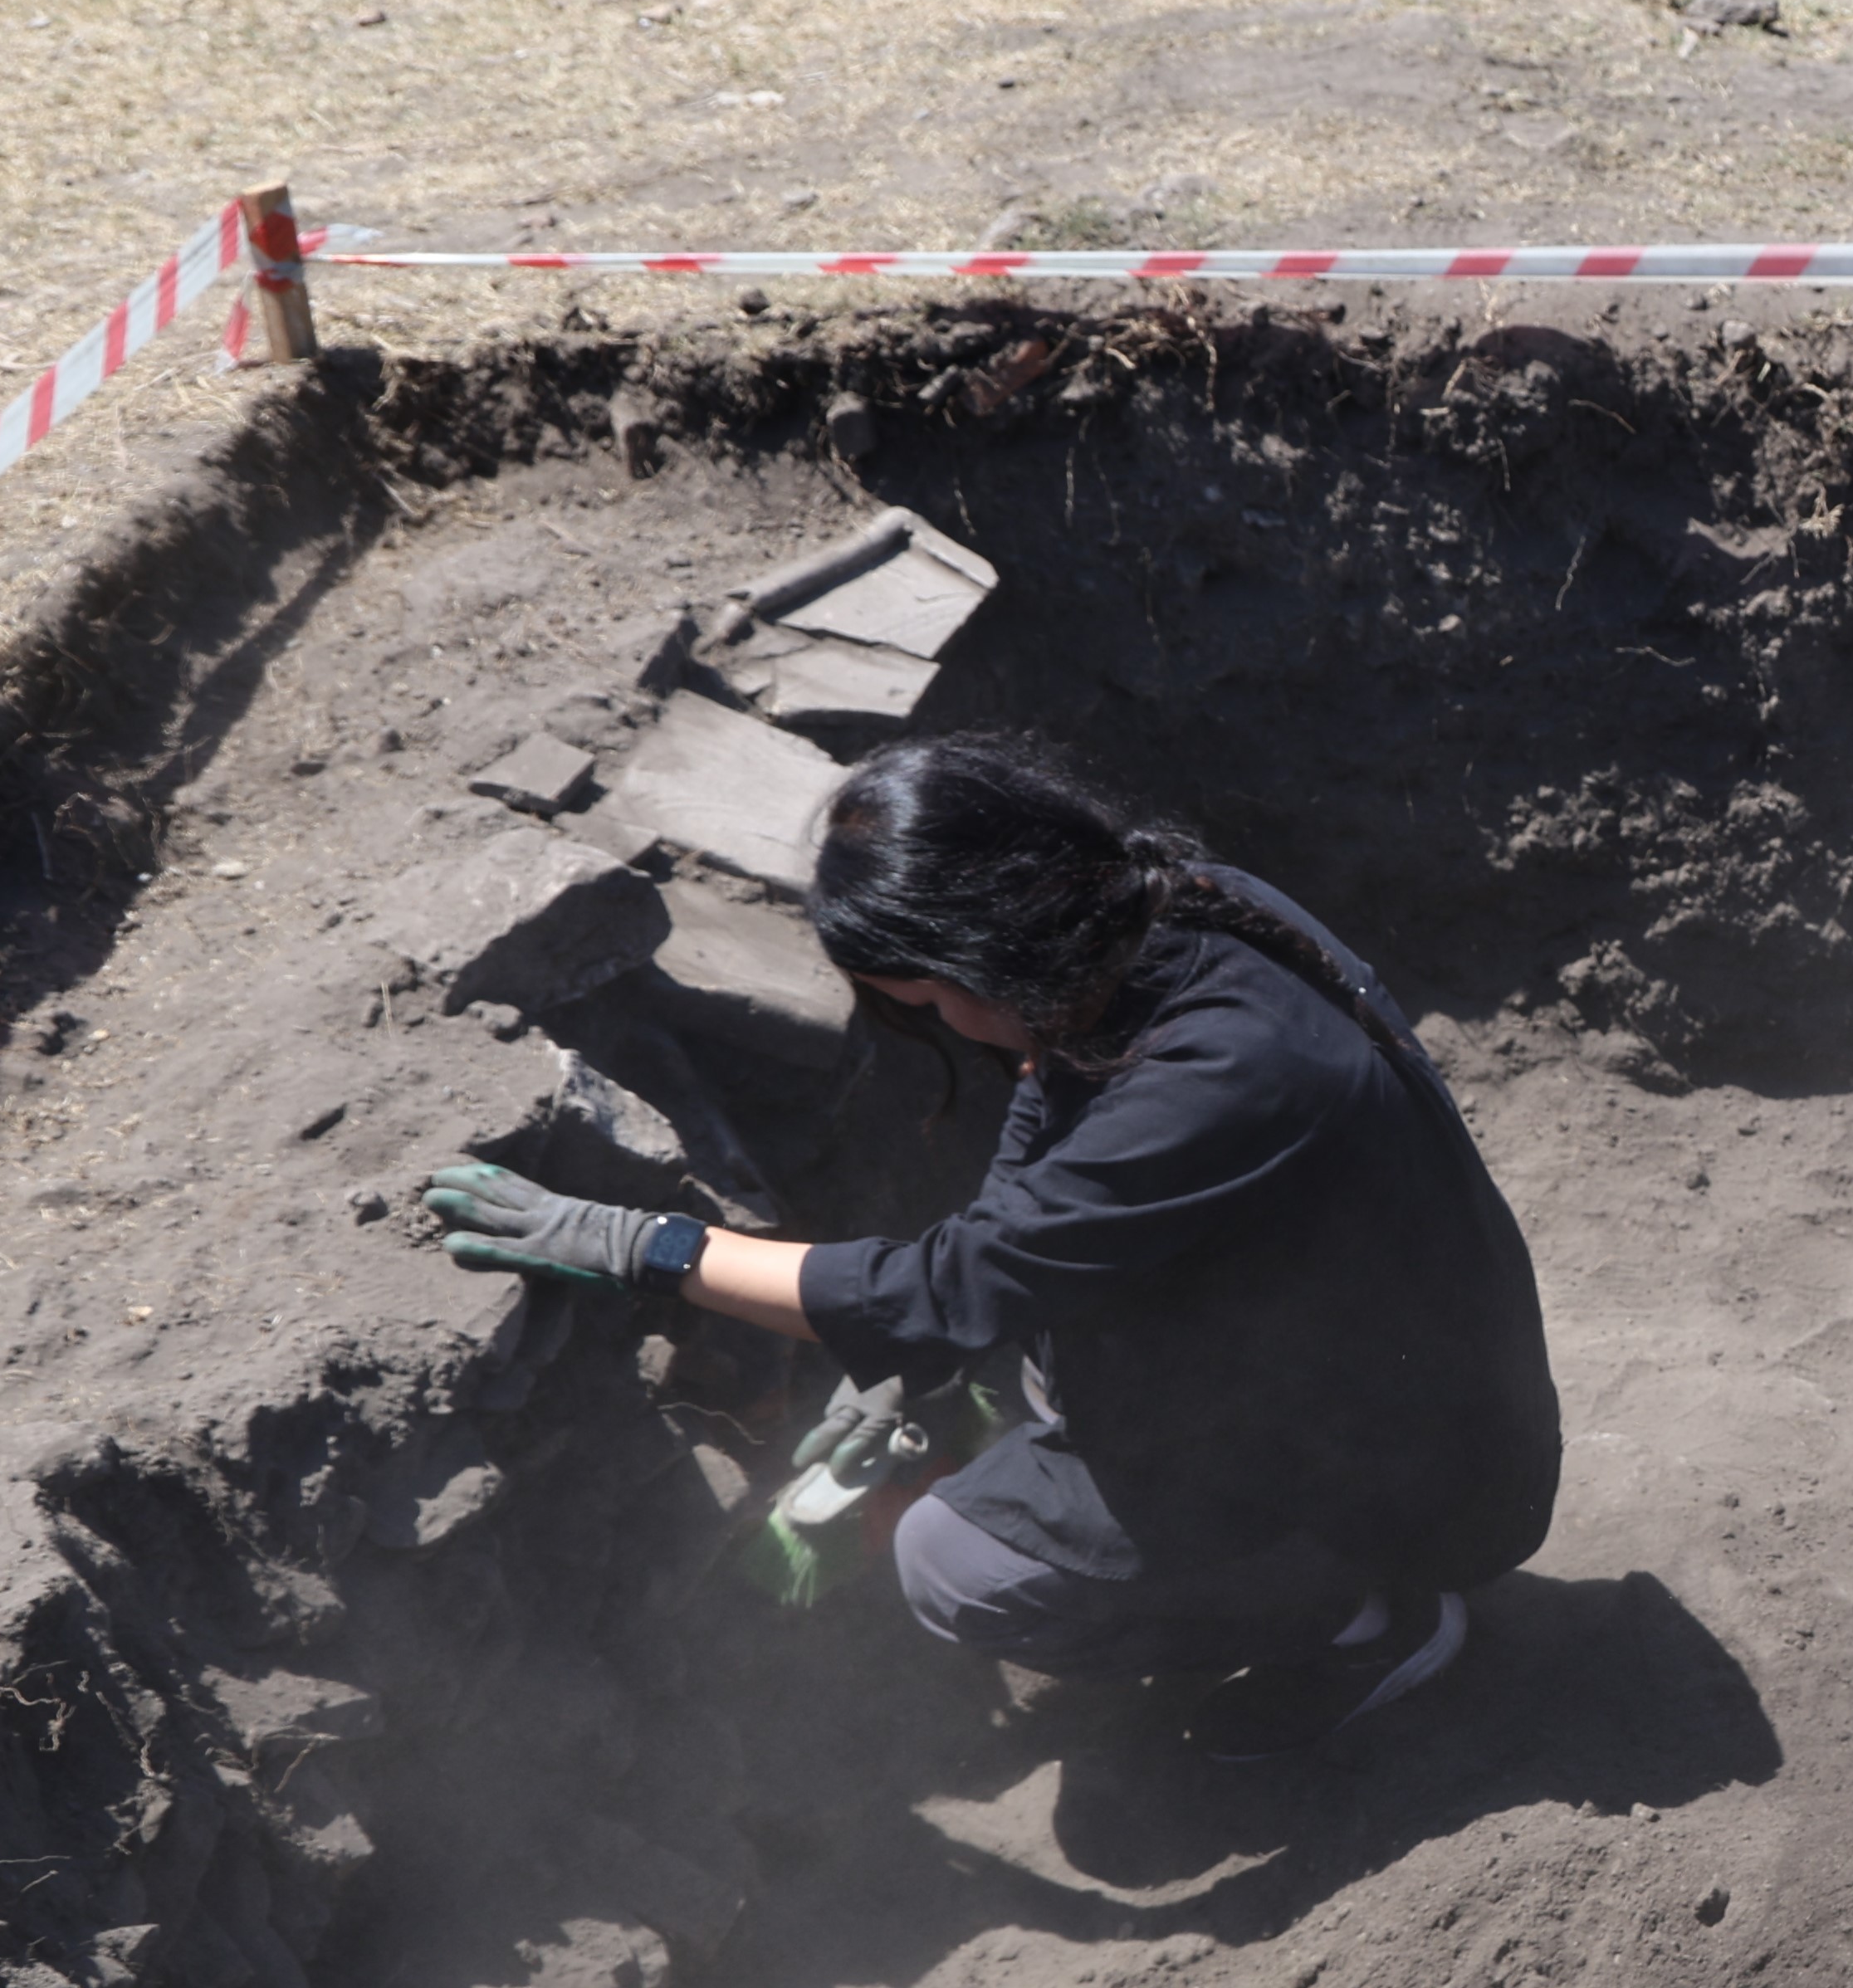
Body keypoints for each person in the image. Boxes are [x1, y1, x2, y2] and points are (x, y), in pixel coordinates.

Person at [421, 732, 1563, 1761]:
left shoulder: (1224, 1072)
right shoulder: (1173, 909)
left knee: (957, 1565)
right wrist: (925, 1345)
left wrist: (641, 1242)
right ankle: (1204, 1528)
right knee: (1020, 1357)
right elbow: (1041, 1123)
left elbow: (959, 1279)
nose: (932, 1027)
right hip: (1361, 1358)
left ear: (991, 956)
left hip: (1423, 1481)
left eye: (925, 998)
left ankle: (1376, 1621)